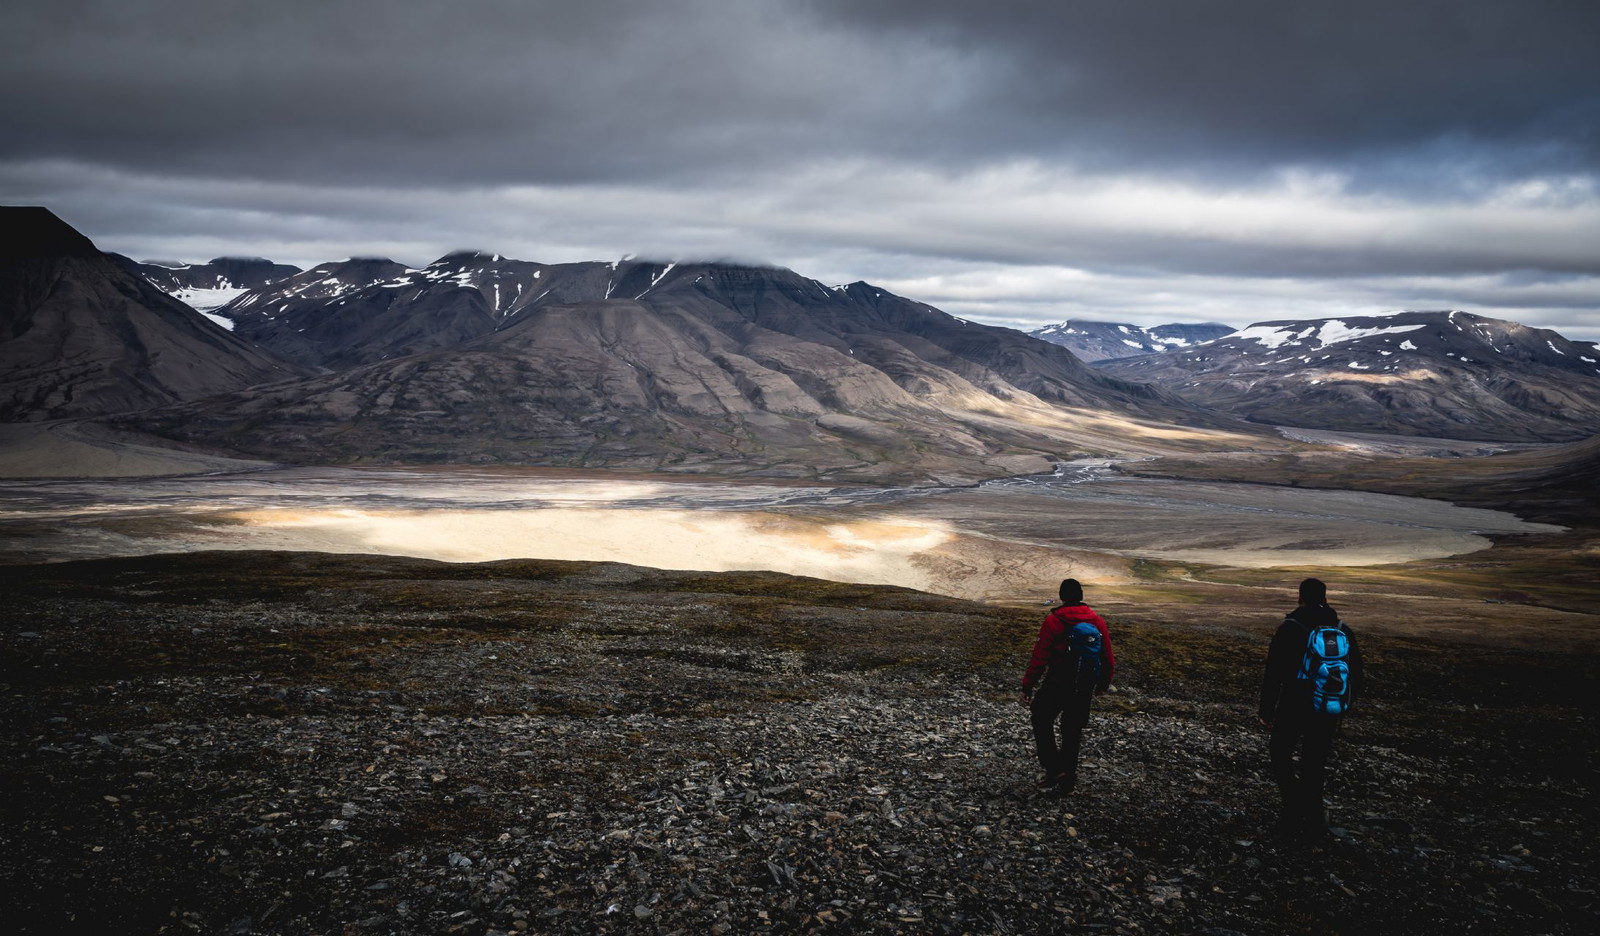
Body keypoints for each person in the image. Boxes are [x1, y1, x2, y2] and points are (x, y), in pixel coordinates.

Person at [1259, 577, 1363, 836]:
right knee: (1314, 762)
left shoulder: (1290, 627)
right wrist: (1343, 706)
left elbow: (1274, 672)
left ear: (1300, 598)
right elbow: (1356, 673)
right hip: (1327, 706)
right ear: (1326, 598)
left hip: (1294, 703)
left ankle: (1292, 809)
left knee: (1280, 753)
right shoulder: (1341, 629)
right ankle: (1314, 819)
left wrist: (1266, 710)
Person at [1019, 578, 1115, 793]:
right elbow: (1107, 656)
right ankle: (1068, 780)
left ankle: (1053, 768)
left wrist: (1028, 685)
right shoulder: (1096, 621)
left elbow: (1040, 656)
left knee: (1041, 716)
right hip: (1084, 683)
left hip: (1058, 681)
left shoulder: (1054, 620)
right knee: (1072, 730)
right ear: (1081, 596)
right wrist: (1103, 684)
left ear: (1062, 596)